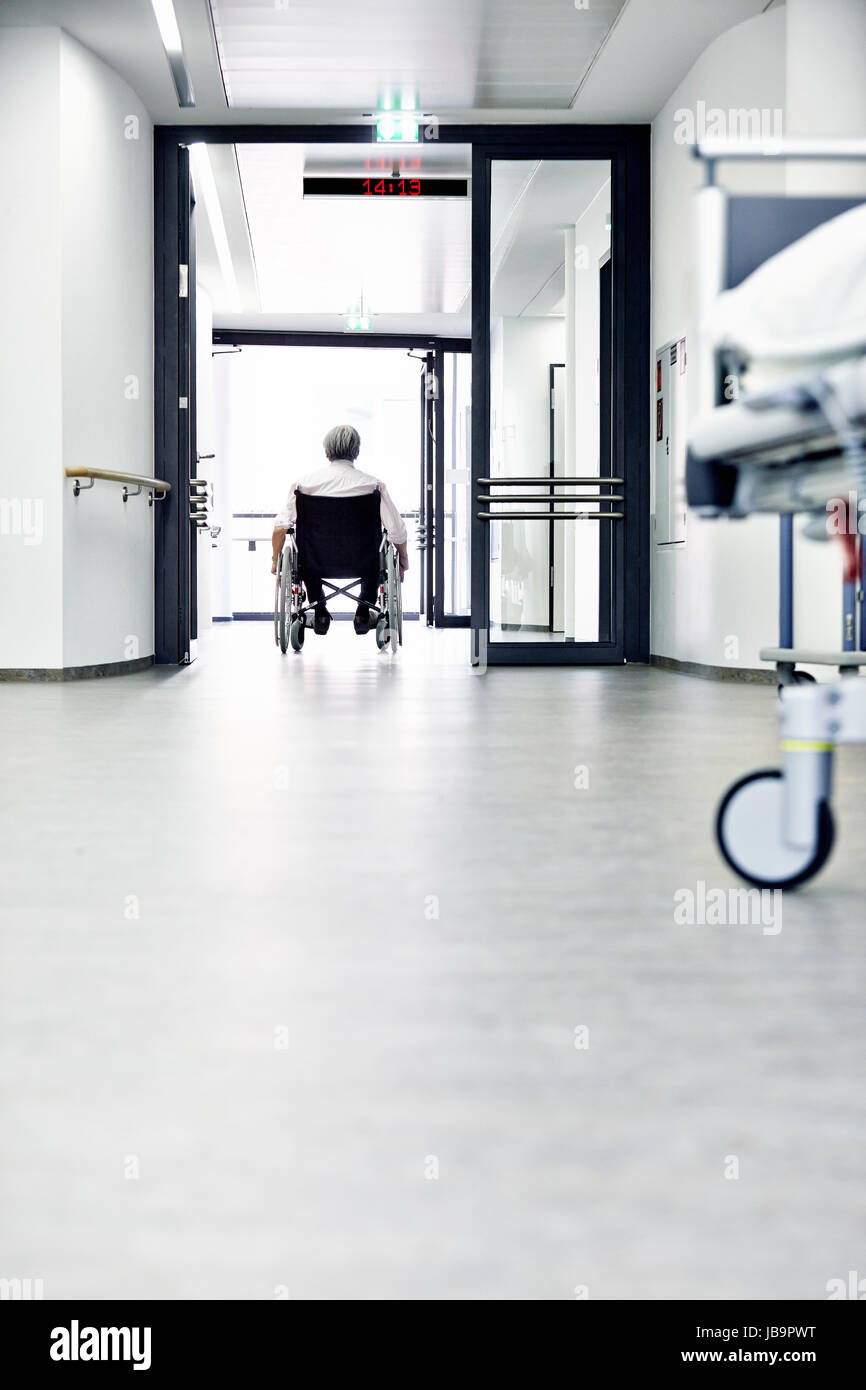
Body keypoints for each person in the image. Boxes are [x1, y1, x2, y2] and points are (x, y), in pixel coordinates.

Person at [271, 424, 409, 635]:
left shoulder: (303, 486)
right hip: (364, 563)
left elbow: (281, 528)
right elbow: (396, 530)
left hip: (316, 562)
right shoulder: (373, 486)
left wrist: (275, 562)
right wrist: (403, 558)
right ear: (356, 451)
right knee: (376, 559)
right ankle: (364, 610)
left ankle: (319, 610)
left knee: (306, 560)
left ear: (327, 451)